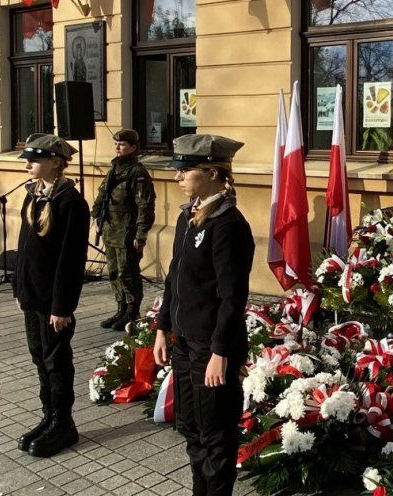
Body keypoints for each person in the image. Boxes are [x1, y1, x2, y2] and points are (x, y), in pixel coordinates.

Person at [153, 134, 254, 496]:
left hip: (212, 349)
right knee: (192, 430)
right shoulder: (188, 216)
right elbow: (174, 277)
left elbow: (232, 297)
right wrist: (163, 328)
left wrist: (219, 353)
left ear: (212, 172)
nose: (178, 177)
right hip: (185, 344)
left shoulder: (228, 225)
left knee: (215, 436)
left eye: (186, 170)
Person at [12, 134, 90, 457]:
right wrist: (20, 288)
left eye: (34, 159)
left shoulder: (70, 202)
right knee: (38, 356)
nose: (28, 164)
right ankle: (49, 417)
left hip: (53, 304)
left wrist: (62, 306)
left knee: (56, 361)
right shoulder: (34, 195)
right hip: (33, 297)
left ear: (55, 162)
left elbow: (70, 262)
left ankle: (63, 423)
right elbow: (24, 248)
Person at [92, 129, 156, 331]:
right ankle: (121, 308)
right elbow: (102, 196)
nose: (117, 148)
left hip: (127, 230)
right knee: (113, 272)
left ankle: (132, 311)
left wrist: (141, 234)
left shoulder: (137, 173)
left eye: (122, 144)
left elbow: (145, 206)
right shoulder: (114, 169)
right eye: (116, 144)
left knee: (127, 272)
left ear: (133, 147)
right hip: (111, 228)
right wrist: (96, 217)